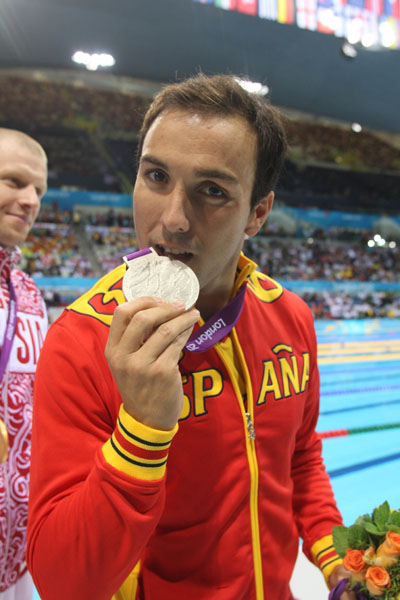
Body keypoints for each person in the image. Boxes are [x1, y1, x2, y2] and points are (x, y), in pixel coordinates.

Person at [27, 74, 355, 600]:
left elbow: (299, 458)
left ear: (258, 213)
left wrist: (335, 558)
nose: (173, 220)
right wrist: (142, 431)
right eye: (156, 176)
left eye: (212, 191)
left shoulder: (291, 317)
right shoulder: (82, 341)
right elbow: (65, 584)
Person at [0, 129, 48, 599]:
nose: (30, 200)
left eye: (38, 190)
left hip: (20, 549)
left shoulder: (29, 296)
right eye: (14, 181)